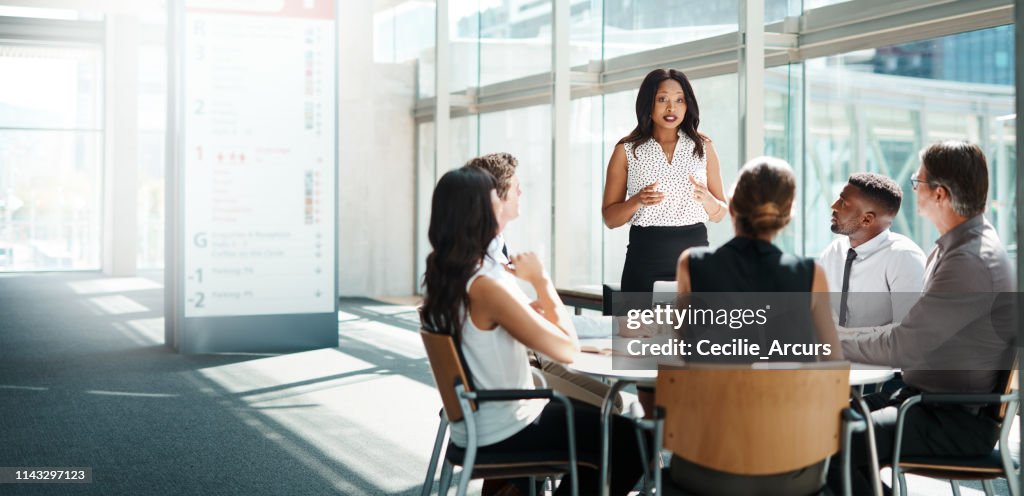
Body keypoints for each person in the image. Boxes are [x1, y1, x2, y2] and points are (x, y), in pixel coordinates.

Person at [421, 166, 646, 495]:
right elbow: (566, 351)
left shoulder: (447, 273)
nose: (501, 205)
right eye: (494, 201)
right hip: (507, 426)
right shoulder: (484, 283)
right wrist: (542, 282)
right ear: (479, 213)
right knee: (632, 441)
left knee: (610, 433)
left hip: (481, 420)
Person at [830, 141, 1016, 494]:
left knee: (830, 442)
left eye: (919, 181)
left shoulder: (970, 260)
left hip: (951, 419)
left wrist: (830, 339)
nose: (913, 188)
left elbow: (904, 345)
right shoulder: (956, 247)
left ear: (940, 194)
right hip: (923, 400)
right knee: (822, 426)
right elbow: (910, 333)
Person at [669, 157, 843, 495]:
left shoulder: (691, 264)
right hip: (794, 469)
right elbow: (833, 368)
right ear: (788, 214)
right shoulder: (811, 275)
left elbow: (681, 349)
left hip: (705, 464)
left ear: (731, 206)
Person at [465, 152, 619, 412]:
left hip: (515, 369)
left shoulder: (485, 257)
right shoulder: (486, 275)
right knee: (614, 414)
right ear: (496, 198)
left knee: (613, 401)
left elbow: (535, 319)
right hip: (513, 388)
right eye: (515, 187)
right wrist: (541, 279)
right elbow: (566, 348)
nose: (522, 192)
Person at [602, 68, 727, 293]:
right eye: (662, 99)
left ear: (688, 104)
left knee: (696, 328)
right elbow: (610, 219)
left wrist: (708, 200)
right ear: (648, 104)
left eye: (679, 100)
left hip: (695, 265)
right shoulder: (626, 150)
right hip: (643, 262)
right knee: (637, 329)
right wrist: (637, 201)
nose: (672, 107)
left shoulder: (704, 147)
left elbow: (720, 213)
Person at [819, 172, 926, 327]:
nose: (834, 206)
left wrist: (847, 340)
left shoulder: (904, 258)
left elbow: (909, 334)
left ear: (867, 219)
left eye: (843, 203)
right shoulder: (833, 252)